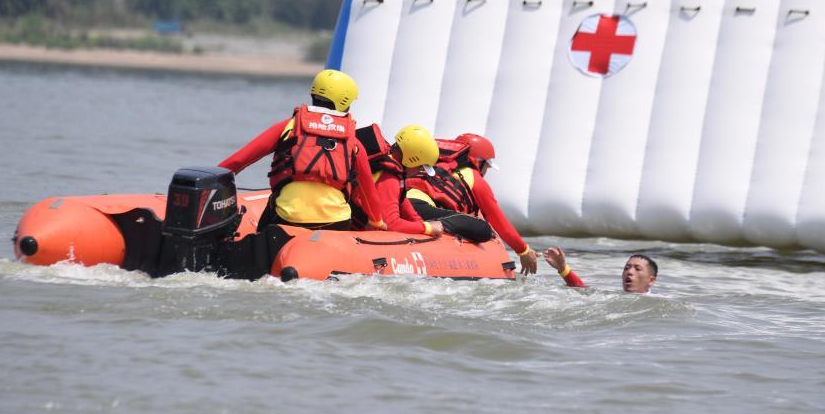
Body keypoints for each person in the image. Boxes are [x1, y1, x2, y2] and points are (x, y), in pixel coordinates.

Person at [218, 69, 386, 231]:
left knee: (262, 235)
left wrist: (213, 179)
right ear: (345, 102)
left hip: (288, 218)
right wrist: (377, 222)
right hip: (336, 222)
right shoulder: (353, 141)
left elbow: (240, 160)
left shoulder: (288, 126)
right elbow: (368, 192)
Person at [404, 132, 538, 275]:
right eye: (486, 166)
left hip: (403, 205)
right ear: (479, 162)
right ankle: (437, 226)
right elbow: (498, 221)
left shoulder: (435, 167)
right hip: (419, 207)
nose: (486, 171)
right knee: (482, 228)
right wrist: (523, 250)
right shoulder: (473, 177)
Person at [543, 247, 658, 293]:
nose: (630, 272)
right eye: (626, 268)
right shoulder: (613, 297)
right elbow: (582, 290)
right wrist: (562, 268)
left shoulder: (657, 304)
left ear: (651, 280)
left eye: (637, 269)